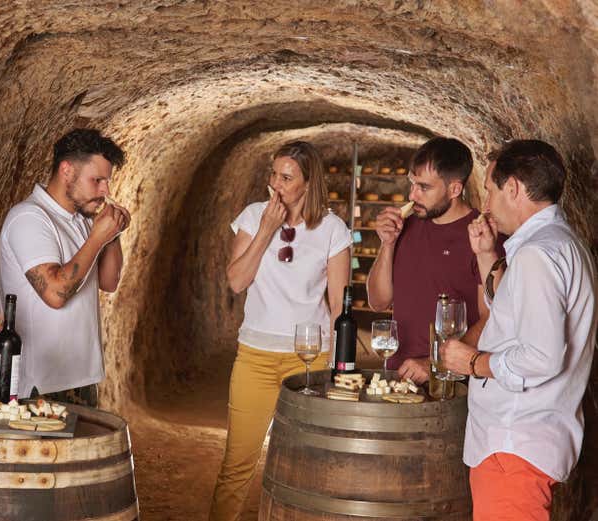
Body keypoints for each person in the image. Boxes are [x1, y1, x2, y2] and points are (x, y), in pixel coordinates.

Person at [441, 139, 596, 520]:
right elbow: (515, 314)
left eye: (491, 191)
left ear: (513, 188)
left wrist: (472, 361)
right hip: (524, 443)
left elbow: (541, 357)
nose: (487, 204)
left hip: (514, 447)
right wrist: (487, 256)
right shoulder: (561, 244)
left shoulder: (536, 255)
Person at [209, 141, 351, 521]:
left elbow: (340, 308)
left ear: (308, 183)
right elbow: (236, 281)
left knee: (306, 467)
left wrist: (339, 370)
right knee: (236, 466)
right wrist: (267, 229)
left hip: (309, 360)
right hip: (254, 357)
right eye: (273, 174)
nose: (275, 183)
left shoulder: (333, 229)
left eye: (286, 177)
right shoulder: (254, 216)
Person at [0, 128, 129, 407]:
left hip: (82, 379)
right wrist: (97, 237)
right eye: (97, 180)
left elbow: (109, 281)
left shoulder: (82, 220)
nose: (105, 190)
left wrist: (112, 234)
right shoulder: (29, 218)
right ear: (67, 171)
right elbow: (56, 293)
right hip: (40, 386)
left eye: (107, 181)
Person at [366, 137, 496, 383]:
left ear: (455, 189)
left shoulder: (483, 235)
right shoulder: (404, 227)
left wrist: (434, 363)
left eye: (424, 187)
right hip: (397, 374)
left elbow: (490, 319)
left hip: (450, 382)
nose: (412, 195)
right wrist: (387, 243)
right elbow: (378, 302)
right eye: (412, 183)